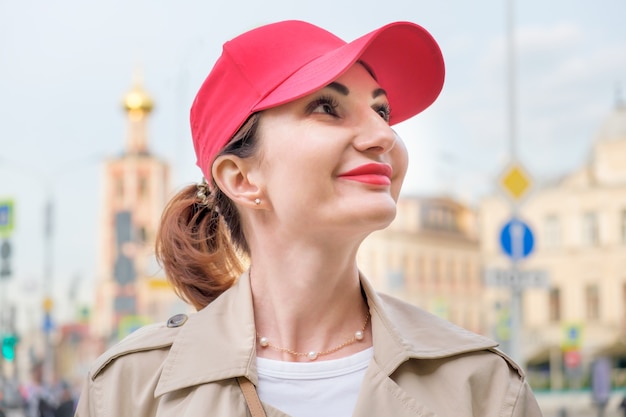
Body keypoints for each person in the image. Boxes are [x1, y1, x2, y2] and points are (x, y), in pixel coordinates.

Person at [76, 20, 543, 416]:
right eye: (327, 107)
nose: (383, 134)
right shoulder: (130, 390)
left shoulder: (482, 386)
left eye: (381, 110)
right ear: (240, 178)